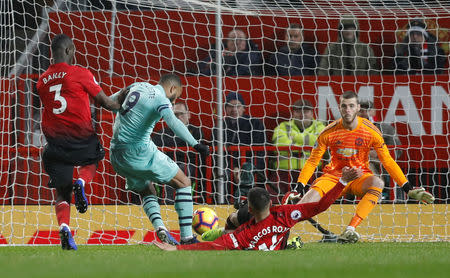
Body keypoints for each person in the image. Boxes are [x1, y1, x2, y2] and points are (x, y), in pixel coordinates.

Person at [296, 91, 435, 243]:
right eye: (344, 106)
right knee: (303, 203)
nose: (347, 110)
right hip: (334, 177)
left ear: (357, 108)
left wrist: (407, 188)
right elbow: (312, 161)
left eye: (351, 106)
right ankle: (280, 234)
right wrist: (299, 186)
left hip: (359, 176)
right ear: (340, 108)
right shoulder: (328, 132)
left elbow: (388, 161)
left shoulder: (371, 131)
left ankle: (350, 230)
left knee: (378, 183)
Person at [36, 34, 122, 250]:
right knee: (94, 157)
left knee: (62, 194)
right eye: (73, 51)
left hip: (55, 147)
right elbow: (106, 103)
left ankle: (64, 229)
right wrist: (126, 99)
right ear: (68, 51)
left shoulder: (41, 81)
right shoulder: (80, 73)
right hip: (82, 141)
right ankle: (81, 183)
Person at [153, 166, 363, 251]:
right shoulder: (285, 215)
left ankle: (218, 227)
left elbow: (213, 246)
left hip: (250, 239)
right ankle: (288, 243)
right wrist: (342, 182)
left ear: (251, 210)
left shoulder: (242, 236)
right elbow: (321, 206)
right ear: (271, 203)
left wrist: (178, 248)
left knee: (230, 222)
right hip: (277, 242)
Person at [109, 74, 210, 245]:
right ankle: (187, 237)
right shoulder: (160, 98)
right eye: (176, 96)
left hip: (116, 154)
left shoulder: (136, 85)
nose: (174, 100)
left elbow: (110, 103)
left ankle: (160, 227)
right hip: (139, 151)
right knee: (184, 182)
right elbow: (174, 122)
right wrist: (196, 144)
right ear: (172, 89)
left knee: (146, 189)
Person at [211, 91, 266, 202]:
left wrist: (243, 167)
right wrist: (233, 167)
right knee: (223, 173)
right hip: (229, 167)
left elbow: (259, 150)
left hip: (251, 165)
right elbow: (218, 153)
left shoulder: (255, 123)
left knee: (249, 173)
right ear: (225, 109)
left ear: (244, 108)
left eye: (237, 106)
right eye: (230, 106)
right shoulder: (220, 126)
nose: (234, 109)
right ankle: (223, 203)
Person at [271, 99, 326, 202]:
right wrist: (308, 141)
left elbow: (320, 142)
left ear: (312, 113)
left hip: (312, 173)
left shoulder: (320, 127)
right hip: (285, 173)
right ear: (293, 113)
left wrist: (294, 138)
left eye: (305, 111)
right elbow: (280, 144)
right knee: (272, 196)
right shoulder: (283, 126)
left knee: (318, 198)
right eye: (298, 111)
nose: (302, 114)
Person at [152, 102, 205, 203]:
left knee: (179, 168)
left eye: (181, 114)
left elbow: (196, 155)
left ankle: (170, 202)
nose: (179, 117)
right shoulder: (162, 133)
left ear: (188, 115)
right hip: (166, 166)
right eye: (175, 115)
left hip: (189, 167)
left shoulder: (196, 131)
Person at [358, 100, 403, 201]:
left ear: (374, 112)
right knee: (367, 166)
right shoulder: (348, 130)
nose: (365, 113)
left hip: (382, 162)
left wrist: (378, 153)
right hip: (357, 163)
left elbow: (398, 150)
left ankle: (377, 196)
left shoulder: (387, 129)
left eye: (368, 110)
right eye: (361, 110)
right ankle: (376, 195)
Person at [198, 28, 263, 76]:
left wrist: (233, 59)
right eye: (233, 39)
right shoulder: (217, 52)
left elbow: (243, 72)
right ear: (227, 42)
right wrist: (217, 60)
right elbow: (202, 65)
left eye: (240, 39)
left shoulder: (252, 55)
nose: (237, 42)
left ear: (245, 42)